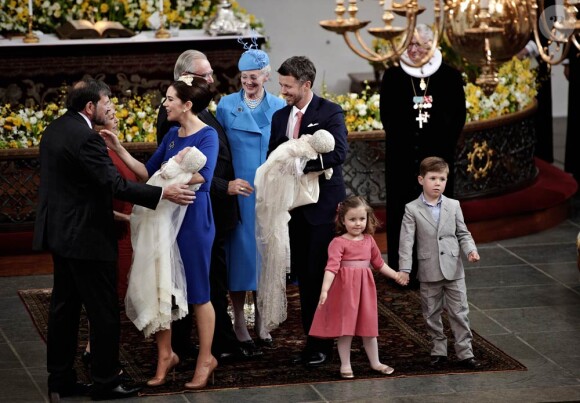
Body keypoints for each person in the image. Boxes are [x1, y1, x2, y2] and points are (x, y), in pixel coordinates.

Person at [32, 78, 195, 402]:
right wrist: (163, 193)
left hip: (60, 233)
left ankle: (60, 379)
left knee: (64, 308)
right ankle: (106, 381)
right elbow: (115, 185)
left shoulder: (55, 129)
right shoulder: (87, 139)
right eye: (108, 104)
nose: (111, 109)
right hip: (88, 236)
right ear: (90, 107)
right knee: (103, 310)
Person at [102, 77, 219, 390]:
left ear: (187, 105)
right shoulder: (170, 135)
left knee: (198, 293)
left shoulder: (208, 135)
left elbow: (202, 177)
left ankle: (206, 358)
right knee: (161, 287)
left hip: (193, 219)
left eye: (169, 99)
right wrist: (119, 148)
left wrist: (169, 176)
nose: (164, 104)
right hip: (164, 218)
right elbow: (147, 173)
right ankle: (165, 354)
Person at [157, 50, 263, 361]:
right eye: (205, 76)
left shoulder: (198, 109)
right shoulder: (172, 115)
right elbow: (175, 168)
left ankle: (210, 342)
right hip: (197, 206)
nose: (212, 79)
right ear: (186, 79)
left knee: (210, 276)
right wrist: (224, 186)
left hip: (212, 206)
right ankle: (214, 345)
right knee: (204, 278)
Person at [268, 56, 349, 367]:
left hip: (322, 208)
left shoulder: (329, 112)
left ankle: (320, 345)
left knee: (318, 276)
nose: (283, 90)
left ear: (306, 84)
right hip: (291, 209)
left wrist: (302, 166)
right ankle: (312, 339)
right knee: (303, 275)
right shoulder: (279, 117)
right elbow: (273, 154)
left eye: (288, 86)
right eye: (282, 85)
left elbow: (339, 152)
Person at [380, 24, 466, 283]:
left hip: (438, 160)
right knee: (402, 215)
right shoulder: (393, 77)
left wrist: (439, 153)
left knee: (438, 217)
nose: (414, 49)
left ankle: (441, 270)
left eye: (420, 44)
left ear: (432, 45)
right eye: (410, 44)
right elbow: (388, 118)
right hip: (402, 159)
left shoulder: (449, 76)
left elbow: (458, 118)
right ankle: (403, 271)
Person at [216, 47, 285, 350]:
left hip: (270, 191)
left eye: (254, 77)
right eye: (244, 77)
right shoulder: (226, 105)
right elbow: (219, 149)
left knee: (266, 254)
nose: (249, 82)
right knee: (242, 256)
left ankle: (263, 317)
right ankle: (239, 321)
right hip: (240, 191)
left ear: (267, 76)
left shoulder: (280, 106)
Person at [309, 195, 406, 379]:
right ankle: (345, 365)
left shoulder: (369, 240)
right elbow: (331, 267)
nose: (358, 223)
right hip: (345, 291)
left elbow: (378, 264)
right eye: (352, 219)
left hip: (365, 290)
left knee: (369, 327)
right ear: (342, 220)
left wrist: (396, 275)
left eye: (362, 219)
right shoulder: (338, 243)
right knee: (346, 329)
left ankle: (375, 362)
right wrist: (324, 290)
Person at [398, 156, 481, 369]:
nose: (438, 183)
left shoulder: (453, 206)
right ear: (421, 180)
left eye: (442, 179)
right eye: (433, 178)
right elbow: (407, 242)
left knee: (460, 311)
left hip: (454, 269)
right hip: (429, 269)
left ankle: (465, 353)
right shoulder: (412, 209)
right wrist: (405, 269)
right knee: (431, 313)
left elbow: (463, 233)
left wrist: (470, 250)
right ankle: (438, 351)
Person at [124, 146, 206, 338]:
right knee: (146, 267)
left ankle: (156, 308)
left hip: (157, 224)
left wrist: (187, 171)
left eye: (184, 152)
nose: (181, 150)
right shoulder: (172, 170)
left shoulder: (175, 173)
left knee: (154, 269)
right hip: (151, 220)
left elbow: (202, 177)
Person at [82, 104, 138, 369]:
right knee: (105, 294)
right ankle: (95, 346)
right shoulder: (95, 155)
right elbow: (97, 201)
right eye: (110, 114)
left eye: (116, 112)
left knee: (120, 290)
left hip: (128, 231)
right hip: (112, 229)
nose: (115, 115)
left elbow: (141, 177)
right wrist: (127, 218)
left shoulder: (114, 150)